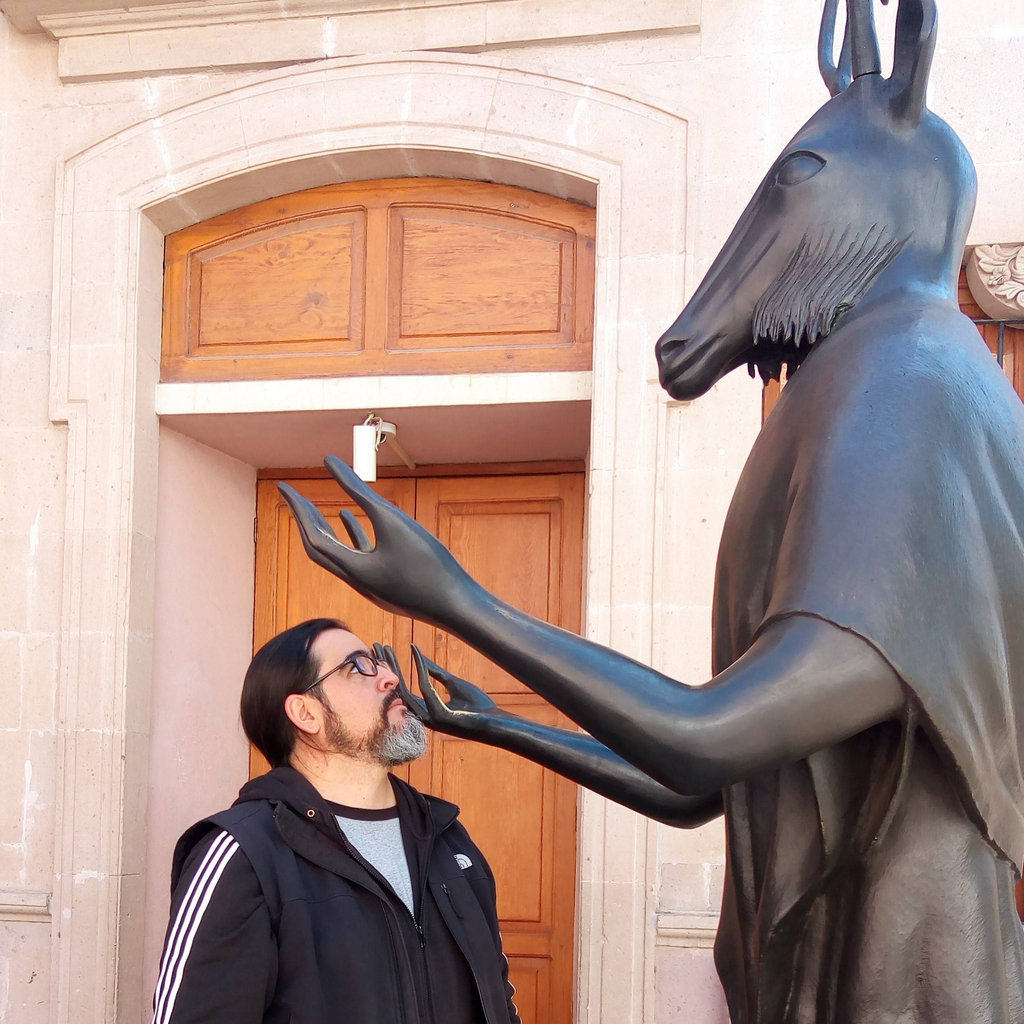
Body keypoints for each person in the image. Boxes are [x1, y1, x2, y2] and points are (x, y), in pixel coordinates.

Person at [151, 617, 520, 1024]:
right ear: (306, 713)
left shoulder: (449, 840)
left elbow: (498, 1000)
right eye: (357, 667)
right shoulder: (244, 855)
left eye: (379, 663)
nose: (390, 678)